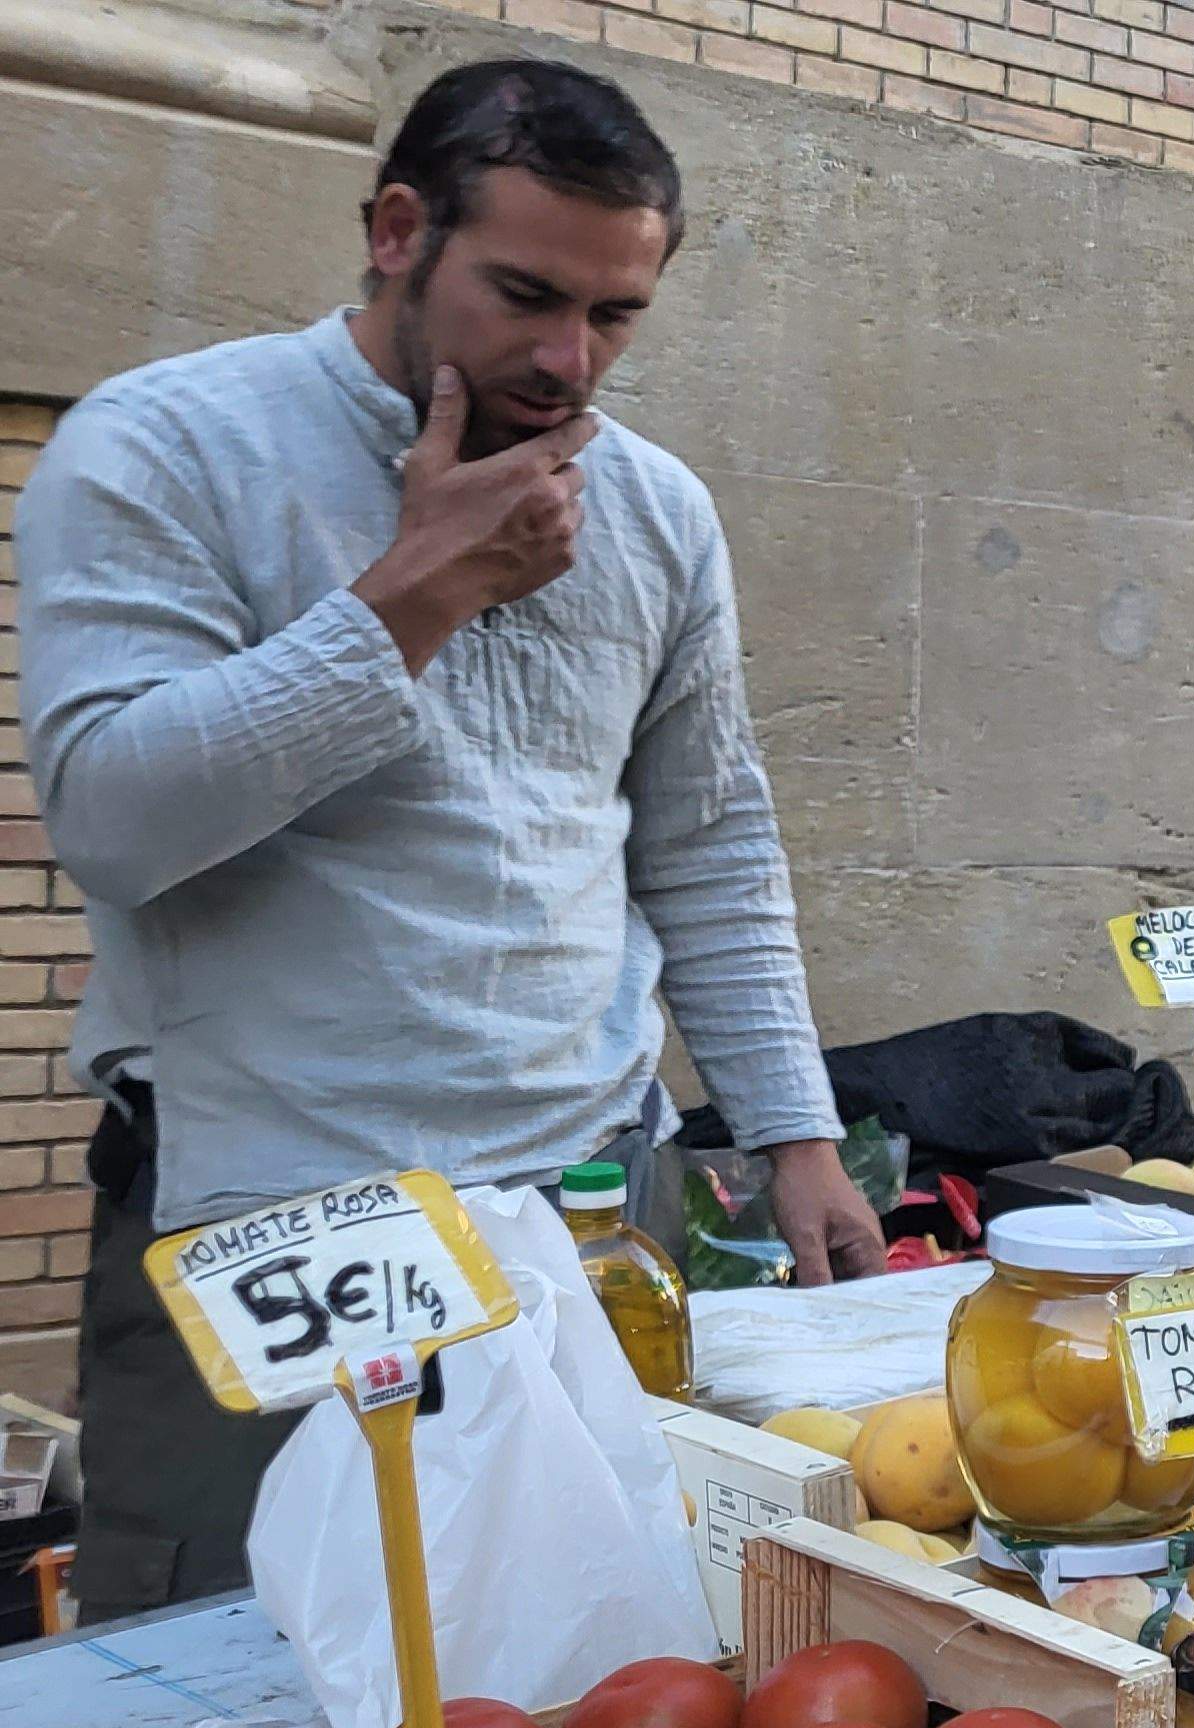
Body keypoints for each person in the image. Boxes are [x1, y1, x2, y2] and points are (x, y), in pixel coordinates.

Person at [21, 60, 878, 1617]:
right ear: (399, 231)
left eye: (616, 317)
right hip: (273, 1214)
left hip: (594, 1203)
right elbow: (113, 821)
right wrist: (415, 594)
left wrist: (795, 1130)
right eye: (527, 295)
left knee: (602, 1655)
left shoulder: (661, 510)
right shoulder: (167, 444)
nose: (568, 361)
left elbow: (706, 844)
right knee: (240, 1678)